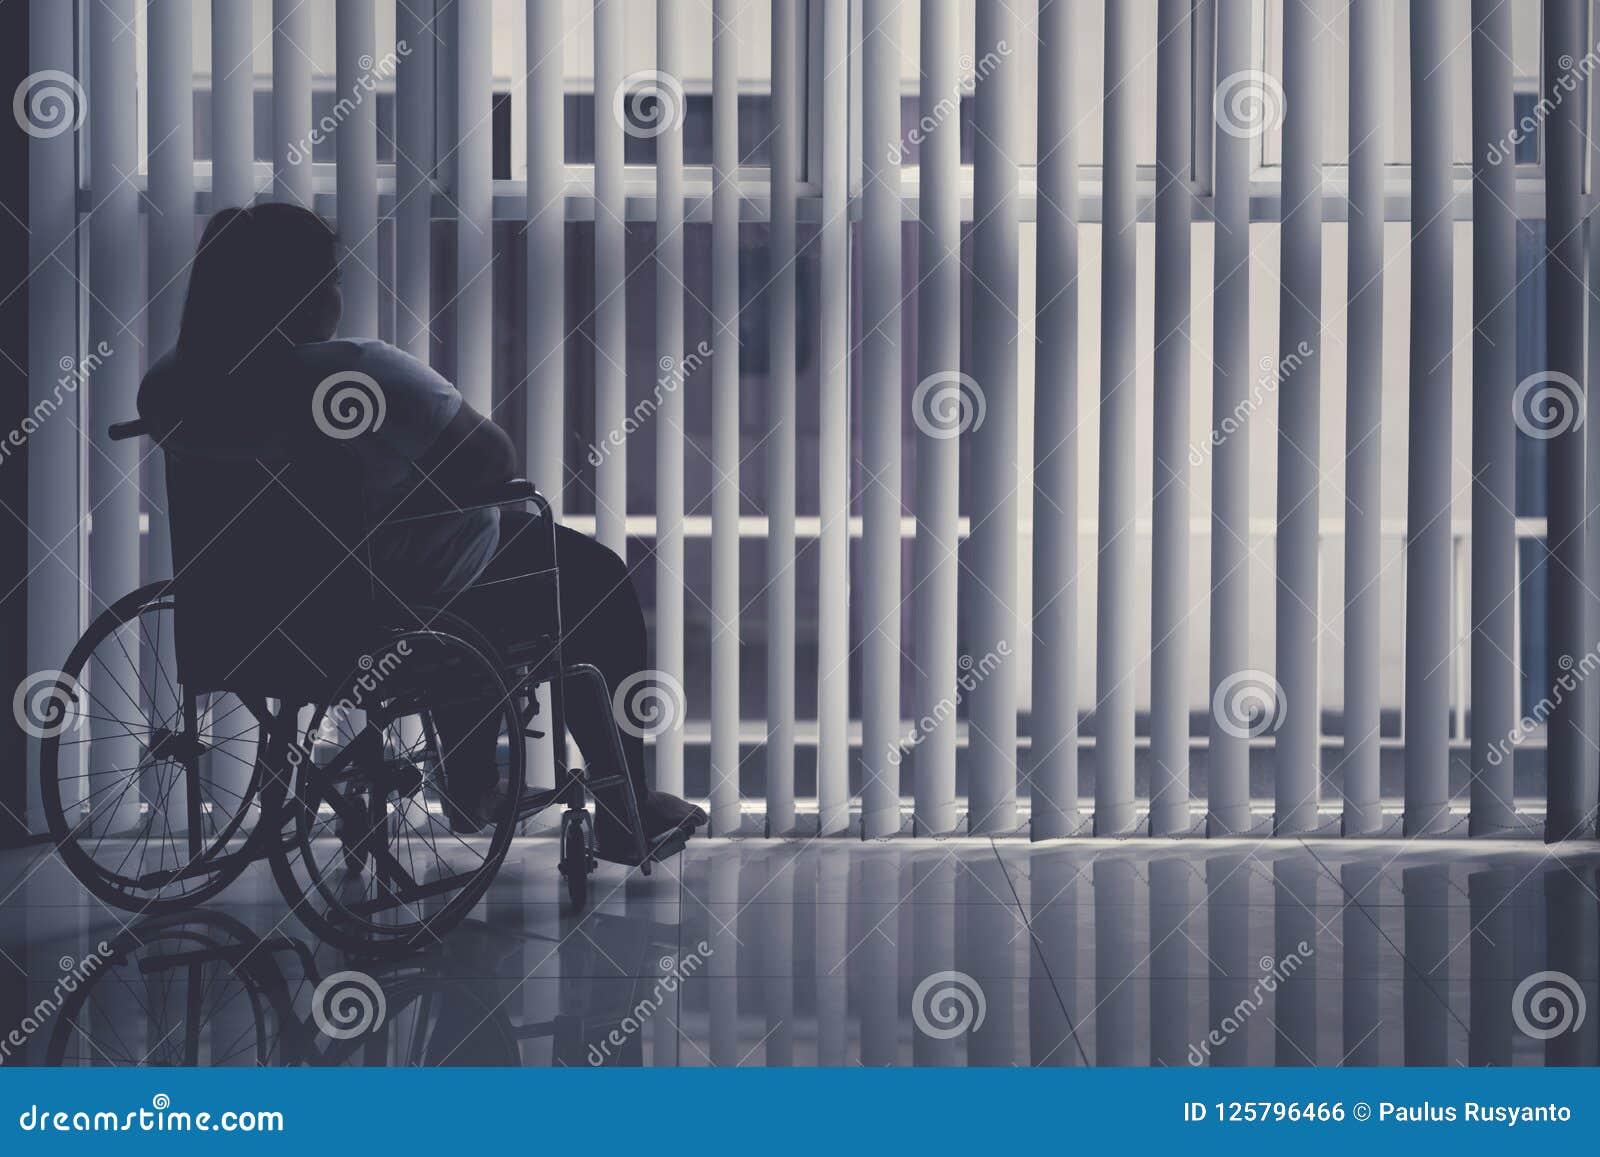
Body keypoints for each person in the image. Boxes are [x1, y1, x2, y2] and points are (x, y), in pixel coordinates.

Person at [138, 203, 704, 860]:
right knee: (587, 576)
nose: (338, 293)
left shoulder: (174, 383)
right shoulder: (359, 370)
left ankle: (471, 779)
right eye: (331, 278)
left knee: (477, 569)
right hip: (382, 605)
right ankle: (619, 804)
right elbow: (495, 461)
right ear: (305, 293)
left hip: (257, 615)